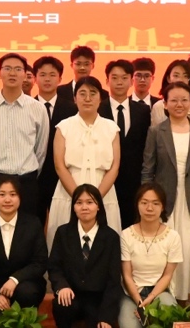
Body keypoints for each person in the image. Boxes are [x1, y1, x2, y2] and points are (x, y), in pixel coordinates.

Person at [142, 81, 190, 301]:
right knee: (166, 250)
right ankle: (166, 299)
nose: (179, 104)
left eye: (184, 100)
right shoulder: (156, 132)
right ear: (165, 104)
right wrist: (148, 203)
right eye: (173, 100)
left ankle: (189, 301)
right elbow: (147, 171)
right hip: (165, 203)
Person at [49, 77, 122, 251]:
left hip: (103, 191)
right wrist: (79, 199)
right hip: (69, 189)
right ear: (75, 98)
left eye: (93, 93)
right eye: (82, 94)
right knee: (67, 246)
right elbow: (59, 165)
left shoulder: (111, 128)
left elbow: (114, 167)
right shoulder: (64, 127)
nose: (87, 98)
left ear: (101, 98)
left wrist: (95, 199)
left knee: (103, 247)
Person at [0, 53, 49, 220]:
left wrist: (28, 173)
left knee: (26, 230)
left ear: (25, 74)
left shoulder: (38, 108)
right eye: (7, 68)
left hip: (26, 182)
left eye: (18, 69)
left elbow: (40, 150)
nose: (12, 73)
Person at [0, 175, 48, 327]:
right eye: (2, 194)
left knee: (27, 293)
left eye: (13, 194)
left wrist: (15, 279)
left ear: (20, 197)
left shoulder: (33, 223)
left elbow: (40, 262)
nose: (7, 200)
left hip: (26, 285)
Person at [48, 184, 121, 328]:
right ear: (73, 207)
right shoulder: (63, 233)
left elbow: (113, 280)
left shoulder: (111, 237)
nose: (84, 207)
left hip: (97, 299)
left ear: (98, 206)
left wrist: (106, 317)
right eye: (79, 203)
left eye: (90, 202)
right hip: (70, 294)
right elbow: (54, 267)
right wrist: (62, 286)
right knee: (61, 305)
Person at [120, 183, 183, 328]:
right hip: (131, 294)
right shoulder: (126, 235)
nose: (149, 208)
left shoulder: (173, 236)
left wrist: (151, 298)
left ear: (163, 207)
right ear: (137, 205)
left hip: (160, 292)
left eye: (155, 203)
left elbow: (167, 275)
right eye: (144, 203)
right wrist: (139, 302)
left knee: (170, 317)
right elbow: (127, 275)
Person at [99, 59, 153, 229]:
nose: (119, 82)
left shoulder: (143, 111)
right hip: (104, 179)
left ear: (131, 81)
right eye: (114, 78)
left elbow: (146, 146)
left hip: (134, 181)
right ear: (107, 81)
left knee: (132, 226)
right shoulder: (98, 109)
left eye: (124, 78)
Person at [34, 55, 77, 218]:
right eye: (42, 74)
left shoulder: (72, 109)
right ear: (35, 78)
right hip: (34, 176)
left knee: (62, 221)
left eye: (52, 75)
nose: (47, 79)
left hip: (63, 177)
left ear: (60, 78)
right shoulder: (26, 107)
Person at [149, 60, 190, 125]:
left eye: (185, 76)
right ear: (168, 78)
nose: (180, 80)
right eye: (176, 75)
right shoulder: (158, 107)